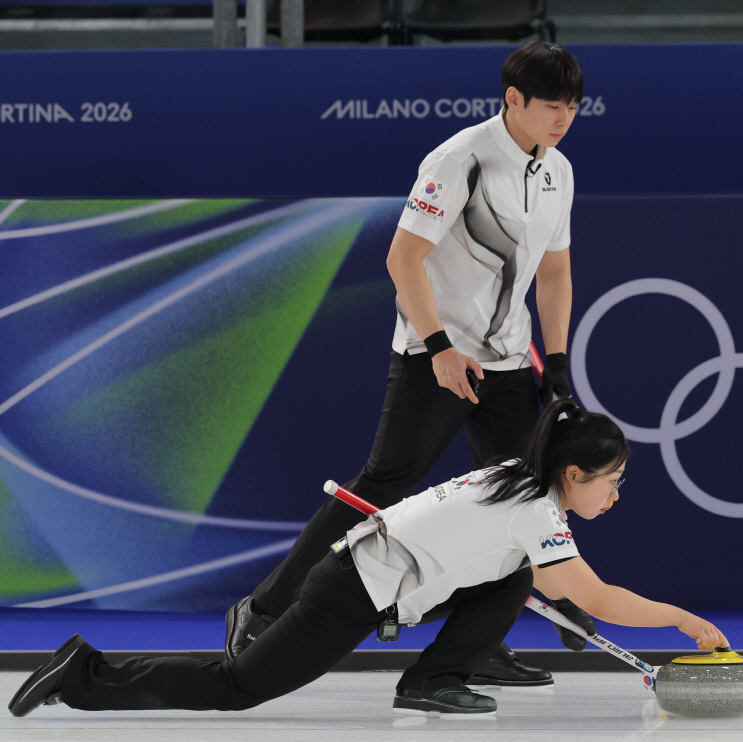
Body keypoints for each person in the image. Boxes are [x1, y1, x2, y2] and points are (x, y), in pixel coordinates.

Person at [224, 40, 584, 686]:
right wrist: (441, 348)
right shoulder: (459, 161)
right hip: (436, 355)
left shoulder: (559, 171)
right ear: (514, 100)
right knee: (380, 488)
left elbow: (554, 273)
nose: (564, 119)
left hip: (507, 362)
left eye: (573, 107)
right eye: (552, 106)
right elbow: (402, 259)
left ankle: (478, 646)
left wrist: (555, 361)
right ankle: (261, 608)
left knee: (515, 500)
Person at [9, 400, 729, 718]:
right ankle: (86, 675)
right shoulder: (532, 508)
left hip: (376, 577)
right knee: (239, 687)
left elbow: (557, 585)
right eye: (613, 482)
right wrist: (684, 621)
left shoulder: (519, 478)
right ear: (575, 475)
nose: (615, 495)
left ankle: (433, 679)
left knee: (513, 577)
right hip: (350, 588)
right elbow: (596, 599)